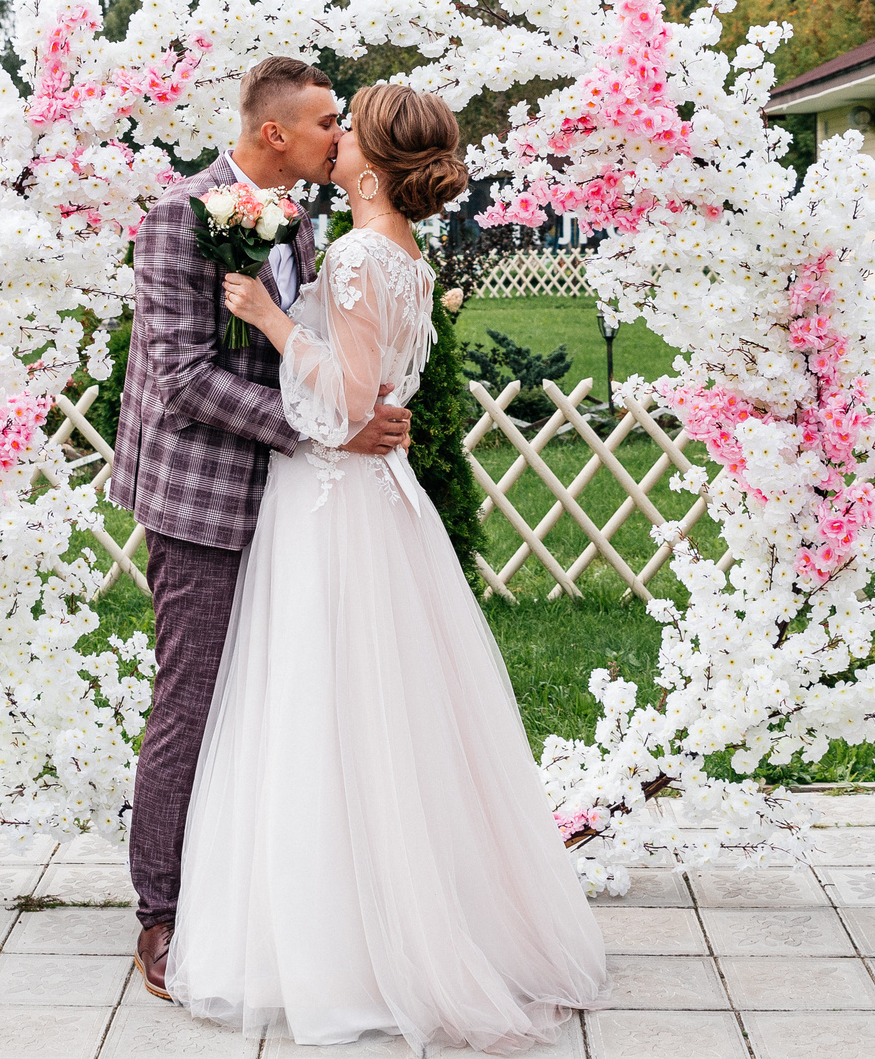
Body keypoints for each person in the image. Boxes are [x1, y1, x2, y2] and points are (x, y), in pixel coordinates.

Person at [176, 84, 608, 1052]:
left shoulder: (361, 255)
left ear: (368, 165)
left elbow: (345, 398)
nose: (331, 141)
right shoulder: (403, 254)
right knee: (382, 711)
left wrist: (267, 317)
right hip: (373, 499)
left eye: (344, 130)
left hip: (335, 502)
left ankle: (344, 950)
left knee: (324, 707)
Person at [111, 57, 412, 1002]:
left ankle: (262, 898)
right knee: (193, 700)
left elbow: (320, 347)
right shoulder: (179, 217)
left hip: (299, 508)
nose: (341, 135)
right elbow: (184, 377)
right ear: (275, 133)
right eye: (329, 122)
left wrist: (358, 403)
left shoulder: (311, 218)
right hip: (202, 502)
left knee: (279, 705)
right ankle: (160, 914)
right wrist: (327, 427)